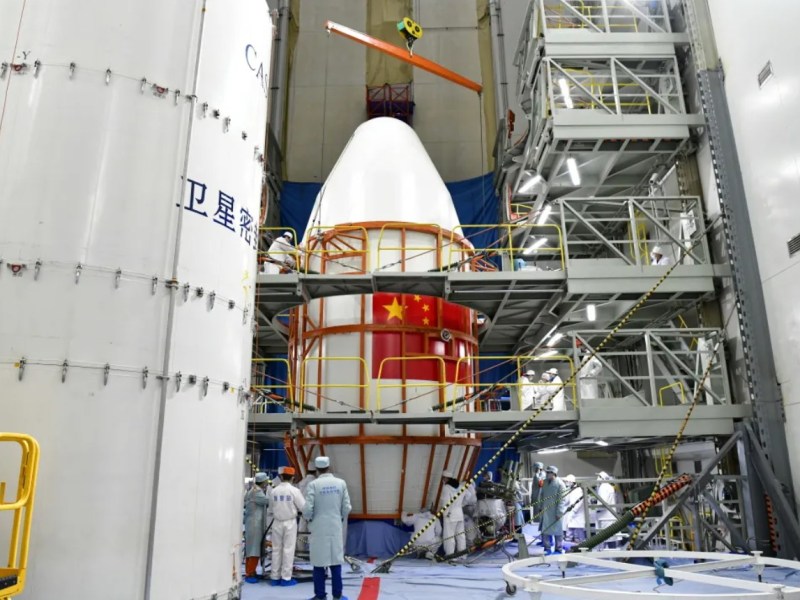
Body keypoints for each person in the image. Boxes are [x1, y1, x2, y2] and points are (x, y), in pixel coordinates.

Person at [303, 456, 352, 600]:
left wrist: (310, 520)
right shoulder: (340, 483)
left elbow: (307, 510)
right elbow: (347, 507)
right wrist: (339, 518)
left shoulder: (314, 485)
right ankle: (337, 595)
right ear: (329, 467)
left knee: (318, 564)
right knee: (335, 562)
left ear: (317, 469)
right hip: (335, 527)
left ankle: (320, 595)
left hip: (318, 529)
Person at [270, 466, 305, 586]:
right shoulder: (294, 491)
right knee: (288, 550)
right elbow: (303, 507)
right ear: (293, 478)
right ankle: (286, 578)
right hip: (290, 522)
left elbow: (270, 508)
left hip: (276, 522)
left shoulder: (274, 491)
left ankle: (274, 577)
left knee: (276, 550)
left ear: (280, 477)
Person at [244, 472, 270, 583]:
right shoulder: (257, 492)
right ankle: (249, 573)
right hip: (255, 524)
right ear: (263, 482)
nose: (267, 484)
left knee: (251, 549)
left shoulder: (252, 490)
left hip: (253, 523)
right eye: (266, 482)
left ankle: (251, 572)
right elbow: (268, 501)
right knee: (254, 550)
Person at [539, 466, 568, 555]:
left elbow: (562, 500)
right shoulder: (545, 482)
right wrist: (540, 507)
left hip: (555, 511)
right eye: (547, 472)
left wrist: (559, 512)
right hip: (545, 510)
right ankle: (547, 548)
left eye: (549, 473)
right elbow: (542, 495)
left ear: (553, 473)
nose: (547, 474)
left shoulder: (560, 484)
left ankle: (558, 548)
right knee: (545, 530)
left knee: (558, 531)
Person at [439, 471, 467, 558]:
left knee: (449, 536)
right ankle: (462, 556)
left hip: (450, 515)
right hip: (459, 513)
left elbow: (445, 502)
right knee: (461, 535)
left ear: (445, 478)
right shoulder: (462, 487)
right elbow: (468, 497)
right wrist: (460, 506)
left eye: (443, 478)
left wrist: (445, 513)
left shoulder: (446, 488)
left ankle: (450, 555)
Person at [563, 475, 586, 542]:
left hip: (578, 515)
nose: (566, 483)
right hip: (572, 514)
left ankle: (583, 546)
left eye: (567, 481)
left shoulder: (578, 490)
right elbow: (567, 501)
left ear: (571, 482)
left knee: (579, 533)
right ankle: (568, 545)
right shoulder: (571, 490)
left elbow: (579, 502)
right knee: (570, 530)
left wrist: (574, 511)